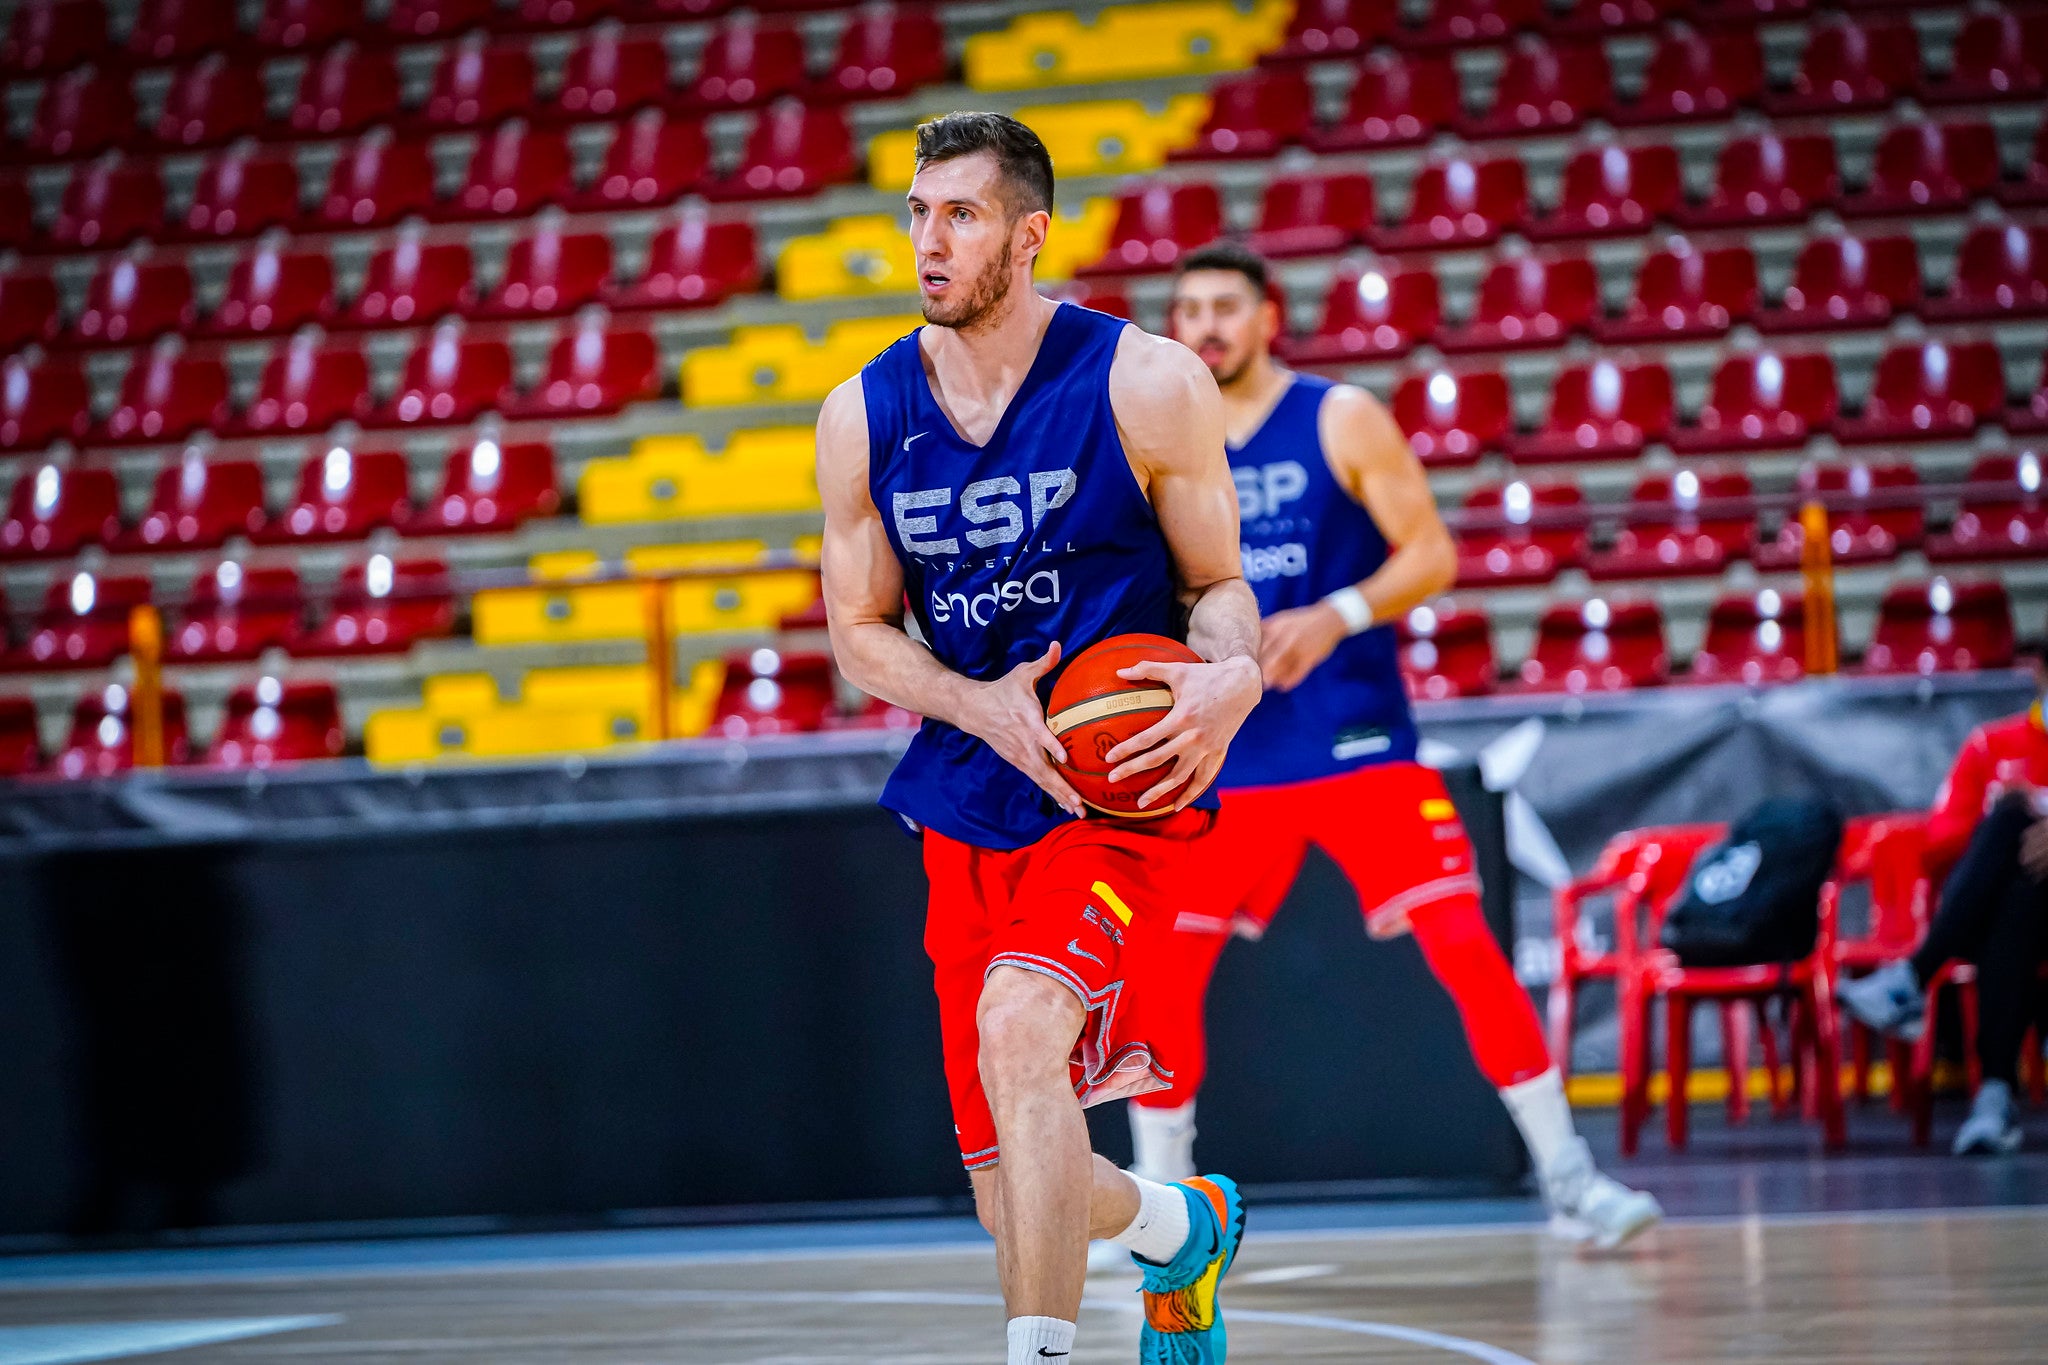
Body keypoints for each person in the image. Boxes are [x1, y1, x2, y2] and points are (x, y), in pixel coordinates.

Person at [815, 114, 1267, 1364]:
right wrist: (974, 702)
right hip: (968, 786)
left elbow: (1218, 585)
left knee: (1022, 1027)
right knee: (1005, 1180)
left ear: (1029, 233)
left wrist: (1232, 675)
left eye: (958, 215)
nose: (928, 241)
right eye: (916, 213)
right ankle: (1178, 1223)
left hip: (1112, 790)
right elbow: (858, 632)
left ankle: (1042, 1354)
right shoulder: (861, 415)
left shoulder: (1145, 380)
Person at [1115, 242, 1662, 1251]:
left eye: (1224, 306)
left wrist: (1335, 613)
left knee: (1465, 948)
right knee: (1158, 981)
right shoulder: (1157, 441)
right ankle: (1160, 1213)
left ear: (1267, 315)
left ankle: (1571, 1180)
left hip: (1353, 739)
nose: (1204, 326)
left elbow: (1433, 552)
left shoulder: (1338, 416)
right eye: (1186, 309)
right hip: (1221, 754)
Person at [1840, 679, 2048, 1154]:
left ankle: (1912, 980)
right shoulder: (1993, 746)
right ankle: (1994, 1095)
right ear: (2041, 674)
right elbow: (1937, 845)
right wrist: (2001, 823)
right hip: (2008, 916)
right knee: (2015, 876)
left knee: (2015, 834)